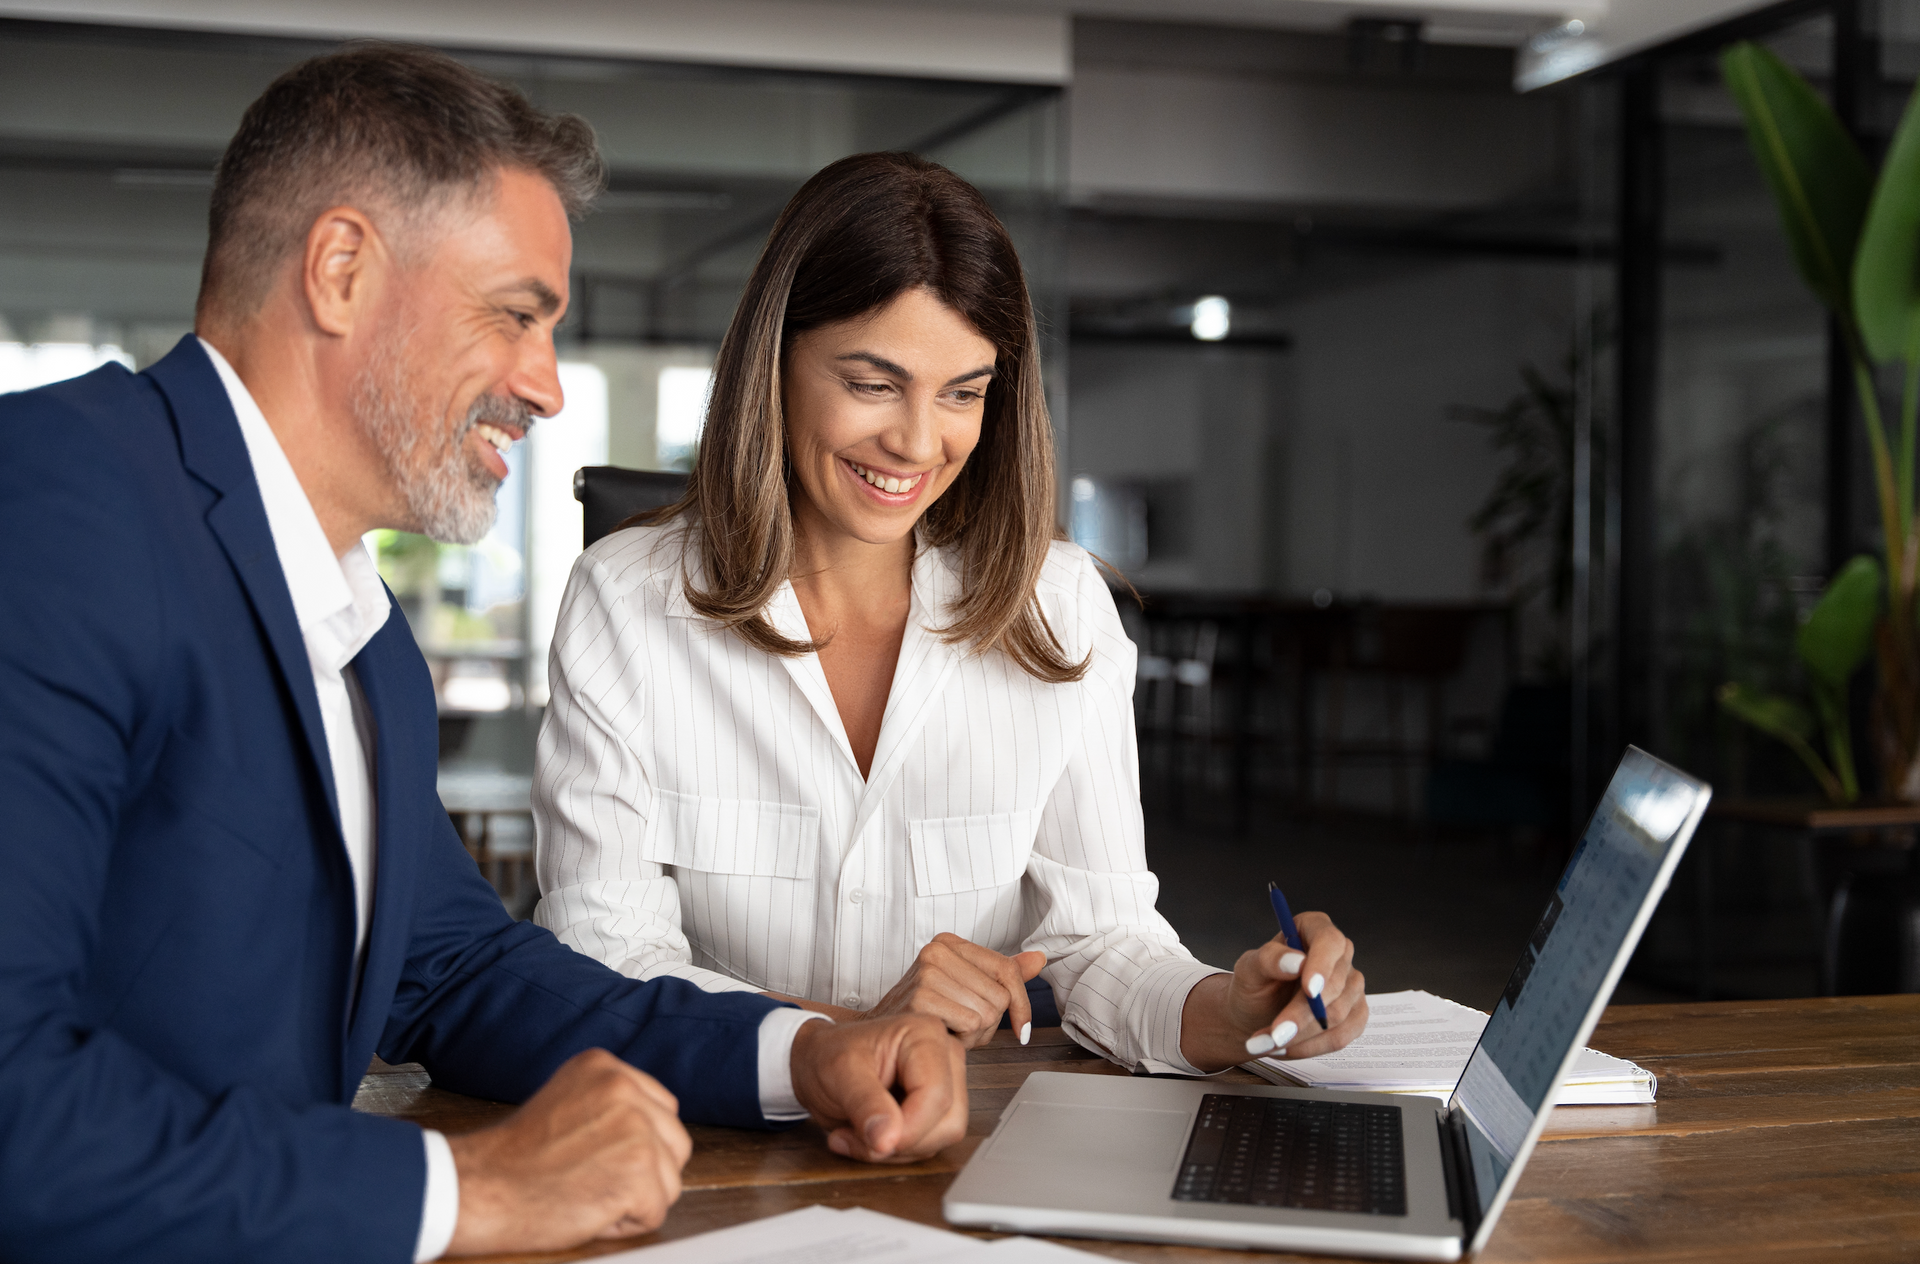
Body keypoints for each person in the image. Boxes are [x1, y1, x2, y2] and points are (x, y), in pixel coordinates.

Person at [0, 48, 968, 1264]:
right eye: (517, 313)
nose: (548, 387)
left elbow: (457, 973)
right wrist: (459, 1190)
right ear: (341, 269)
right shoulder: (51, 500)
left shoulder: (366, 640)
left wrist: (803, 1051)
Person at [532, 151, 1368, 1079]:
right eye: (872, 383)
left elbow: (1100, 943)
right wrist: (845, 1036)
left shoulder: (1060, 609)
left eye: (963, 392)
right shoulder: (625, 600)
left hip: (951, 1146)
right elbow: (602, 965)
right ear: (773, 362)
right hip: (702, 1139)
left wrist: (1230, 1010)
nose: (919, 442)